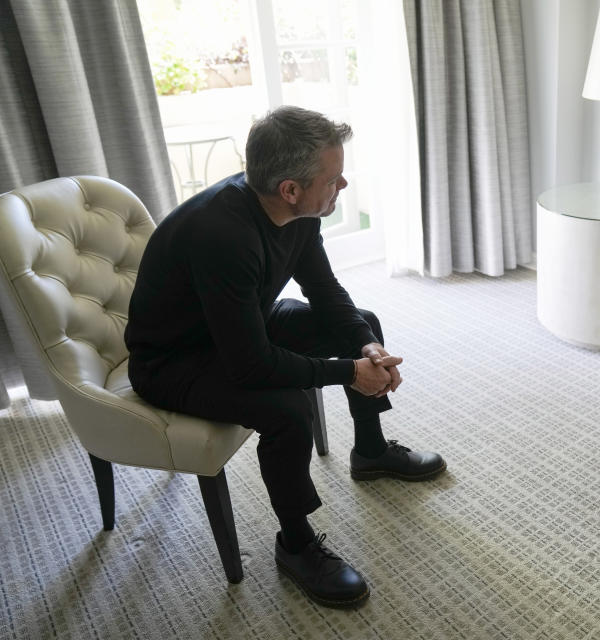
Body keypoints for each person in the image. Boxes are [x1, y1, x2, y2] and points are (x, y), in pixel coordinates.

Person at [125, 106, 446, 608]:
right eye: (333, 180)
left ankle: (371, 450)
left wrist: (365, 348)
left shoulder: (295, 213)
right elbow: (250, 366)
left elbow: (324, 288)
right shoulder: (223, 234)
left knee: (363, 323)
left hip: (239, 322)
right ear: (290, 188)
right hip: (174, 361)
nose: (342, 186)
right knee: (287, 409)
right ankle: (295, 544)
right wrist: (348, 374)